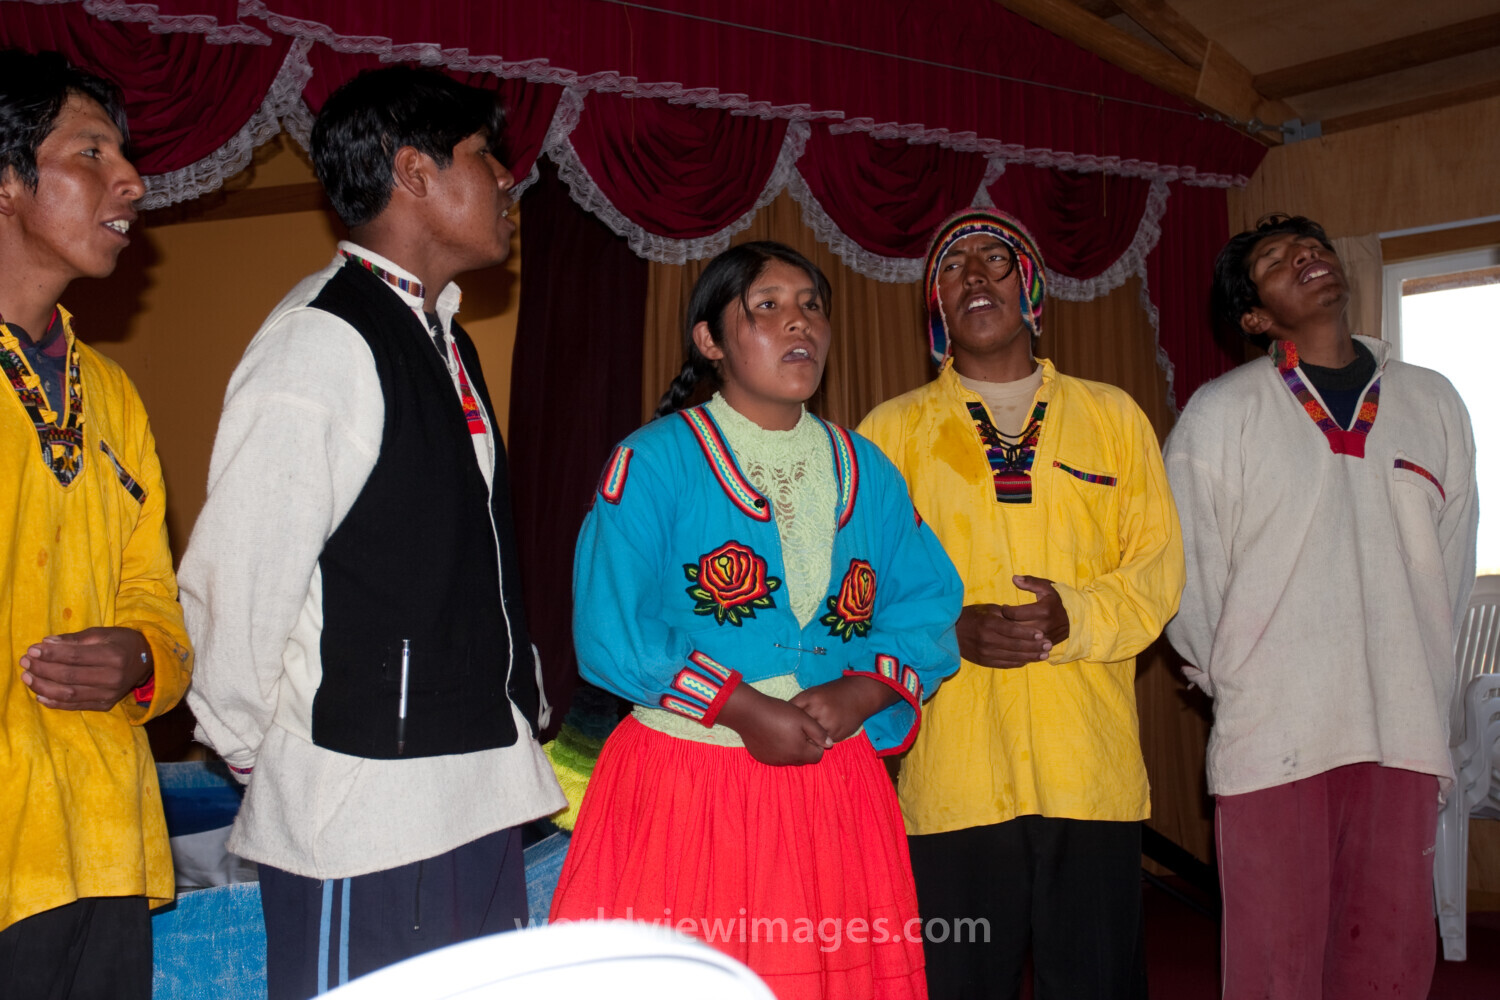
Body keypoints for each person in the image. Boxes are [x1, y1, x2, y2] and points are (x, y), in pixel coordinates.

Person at [179, 67, 565, 999]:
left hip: (477, 790)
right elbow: (239, 577)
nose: (512, 180)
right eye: (487, 157)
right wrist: (251, 744)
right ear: (414, 173)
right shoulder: (320, 341)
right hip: (362, 811)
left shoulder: (443, 337)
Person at [550, 241, 963, 1000]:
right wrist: (739, 706)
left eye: (810, 304)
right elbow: (612, 629)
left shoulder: (867, 470)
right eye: (766, 306)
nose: (796, 322)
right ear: (710, 341)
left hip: (834, 788)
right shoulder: (652, 462)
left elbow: (929, 603)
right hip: (688, 787)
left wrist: (865, 692)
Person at [858, 207, 1183, 1000]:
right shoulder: (888, 435)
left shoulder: (1113, 418)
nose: (973, 275)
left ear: (1030, 290)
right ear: (935, 303)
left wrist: (1076, 615)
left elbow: (1157, 569)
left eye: (994, 260)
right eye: (953, 266)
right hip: (955, 775)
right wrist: (946, 629)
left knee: (1099, 983)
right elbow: (854, 592)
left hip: (1089, 769)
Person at [1163, 215, 1478, 1000]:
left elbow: (1453, 562)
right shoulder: (1220, 412)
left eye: (1313, 246)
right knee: (1277, 963)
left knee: (1391, 957)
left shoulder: (1432, 401)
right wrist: (1239, 677)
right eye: (1274, 259)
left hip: (1401, 724)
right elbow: (1187, 575)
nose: (1304, 257)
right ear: (1256, 318)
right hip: (1275, 733)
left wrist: (1427, 676)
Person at [0, 49, 193, 1000]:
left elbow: (158, 601)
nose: (133, 180)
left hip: (106, 848)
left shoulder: (111, 396)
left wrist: (143, 661)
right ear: (6, 181)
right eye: (91, 152)